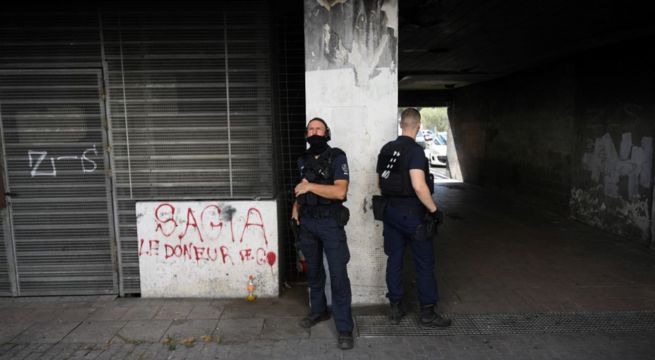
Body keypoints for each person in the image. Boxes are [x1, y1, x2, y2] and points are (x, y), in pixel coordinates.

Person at [376, 108, 451, 327]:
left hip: (390, 212)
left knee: (395, 260)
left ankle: (396, 308)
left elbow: (380, 184)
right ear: (418, 125)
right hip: (413, 214)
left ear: (401, 124)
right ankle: (427, 312)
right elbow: (419, 186)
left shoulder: (386, 149)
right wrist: (435, 211)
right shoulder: (416, 151)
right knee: (424, 264)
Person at [292, 117, 354, 350]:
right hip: (307, 222)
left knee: (338, 275)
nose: (314, 132)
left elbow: (340, 191)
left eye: (319, 129)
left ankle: (345, 328)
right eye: (310, 129)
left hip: (330, 223)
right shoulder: (302, 160)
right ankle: (318, 311)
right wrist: (295, 211)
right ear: (306, 134)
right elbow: (300, 188)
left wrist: (310, 186)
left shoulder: (337, 157)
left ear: (327, 132)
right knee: (314, 272)